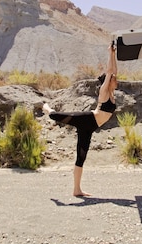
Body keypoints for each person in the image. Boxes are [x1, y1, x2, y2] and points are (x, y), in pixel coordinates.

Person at [43, 43, 118, 197]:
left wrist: (114, 55)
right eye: (113, 79)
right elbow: (110, 71)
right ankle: (47, 109)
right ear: (108, 81)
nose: (116, 80)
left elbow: (114, 72)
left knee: (81, 157)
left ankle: (77, 190)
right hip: (87, 119)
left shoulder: (112, 92)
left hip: (90, 127)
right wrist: (110, 53)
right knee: (58, 116)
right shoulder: (104, 92)